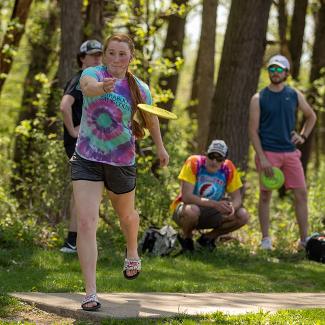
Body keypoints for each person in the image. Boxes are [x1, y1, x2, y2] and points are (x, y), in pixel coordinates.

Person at [71, 33, 169, 311]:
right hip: (87, 157)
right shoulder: (91, 73)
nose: (115, 59)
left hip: (122, 160)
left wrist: (161, 148)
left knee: (127, 215)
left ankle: (132, 250)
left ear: (131, 57)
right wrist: (102, 88)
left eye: (122, 54)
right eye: (111, 53)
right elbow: (88, 88)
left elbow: (151, 119)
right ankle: (90, 292)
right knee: (87, 222)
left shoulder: (139, 88)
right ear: (104, 55)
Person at [249, 54, 317, 250]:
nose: (275, 72)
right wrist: (262, 157)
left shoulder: (294, 94)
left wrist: (302, 136)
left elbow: (311, 117)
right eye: (272, 69)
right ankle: (265, 240)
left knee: (301, 194)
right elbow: (252, 130)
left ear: (286, 73)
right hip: (267, 153)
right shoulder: (258, 98)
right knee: (264, 196)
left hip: (290, 153)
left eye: (279, 69)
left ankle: (305, 242)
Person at [59, 40, 103, 253]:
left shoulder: (92, 80)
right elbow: (65, 106)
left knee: (83, 193)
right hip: (79, 144)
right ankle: (74, 241)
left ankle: (74, 241)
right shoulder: (80, 80)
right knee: (84, 193)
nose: (97, 58)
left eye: (99, 55)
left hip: (89, 143)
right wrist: (73, 131)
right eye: (93, 55)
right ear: (82, 58)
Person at [170, 140, 249, 252]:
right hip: (187, 210)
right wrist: (215, 204)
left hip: (212, 212)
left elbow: (237, 199)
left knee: (243, 215)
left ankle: (207, 239)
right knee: (192, 211)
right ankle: (187, 239)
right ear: (205, 154)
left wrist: (231, 208)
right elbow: (186, 197)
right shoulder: (194, 162)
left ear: (224, 160)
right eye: (211, 156)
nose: (214, 161)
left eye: (219, 159)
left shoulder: (228, 168)